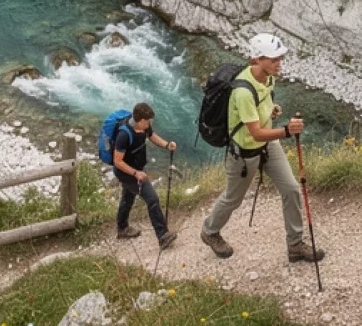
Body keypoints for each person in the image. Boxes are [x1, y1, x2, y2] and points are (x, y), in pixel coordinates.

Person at [201, 33, 324, 264]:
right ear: (258, 59)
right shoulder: (243, 92)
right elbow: (255, 132)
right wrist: (287, 131)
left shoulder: (268, 77)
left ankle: (295, 244)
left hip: (267, 145)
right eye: (274, 59)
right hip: (245, 154)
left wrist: (272, 109)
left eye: (281, 57)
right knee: (232, 199)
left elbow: (264, 106)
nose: (280, 63)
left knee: (291, 189)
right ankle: (209, 231)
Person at [111, 102, 177, 248]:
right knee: (152, 198)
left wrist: (167, 145)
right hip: (127, 172)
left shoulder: (143, 127)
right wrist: (136, 173)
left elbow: (152, 136)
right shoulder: (124, 134)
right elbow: (117, 161)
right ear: (140, 120)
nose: (149, 124)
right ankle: (163, 236)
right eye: (148, 121)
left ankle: (122, 228)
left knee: (128, 197)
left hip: (136, 170)